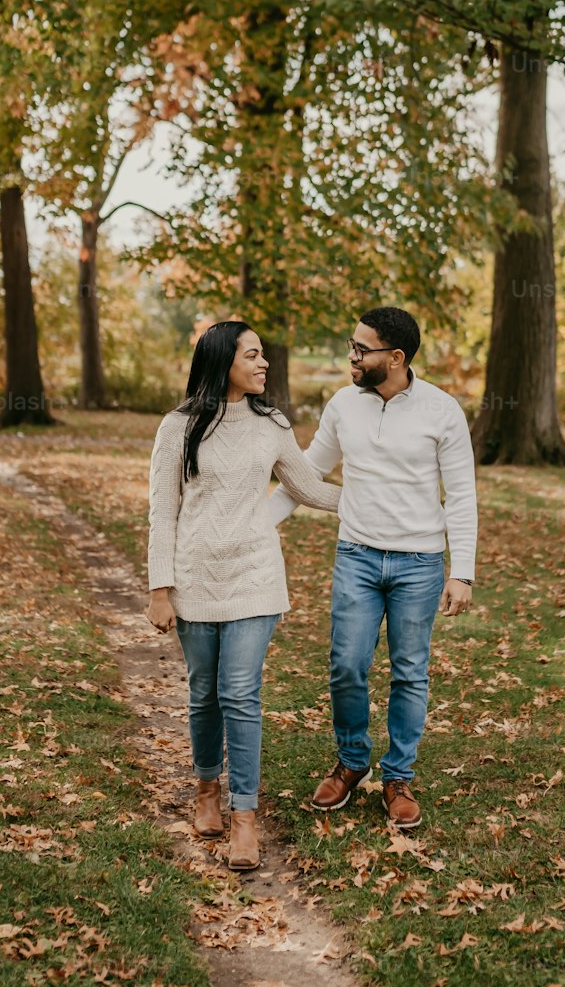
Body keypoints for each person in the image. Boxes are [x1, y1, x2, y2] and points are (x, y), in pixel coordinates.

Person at [267, 306, 477, 829]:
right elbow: (307, 471)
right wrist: (259, 523)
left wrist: (462, 571)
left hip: (420, 563)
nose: (352, 356)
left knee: (409, 672)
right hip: (357, 556)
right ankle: (352, 762)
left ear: (397, 358)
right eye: (352, 345)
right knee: (346, 665)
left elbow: (463, 495)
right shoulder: (343, 404)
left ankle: (398, 777)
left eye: (362, 349)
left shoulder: (442, 411)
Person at [146, 320, 341, 870]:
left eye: (262, 355)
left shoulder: (271, 425)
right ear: (221, 360)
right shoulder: (177, 427)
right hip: (195, 579)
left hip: (255, 577)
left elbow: (306, 486)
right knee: (203, 690)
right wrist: (160, 588)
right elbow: (164, 510)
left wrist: (377, 502)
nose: (264, 364)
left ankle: (244, 817)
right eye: (252, 355)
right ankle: (207, 789)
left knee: (239, 691)